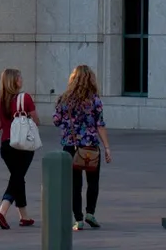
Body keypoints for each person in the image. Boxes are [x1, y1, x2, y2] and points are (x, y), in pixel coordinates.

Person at [52, 64, 110, 231]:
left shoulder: (63, 99)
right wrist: (107, 147)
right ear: (90, 79)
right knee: (93, 182)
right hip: (91, 147)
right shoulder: (95, 100)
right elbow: (100, 124)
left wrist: (69, 124)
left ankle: (78, 220)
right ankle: (90, 213)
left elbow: (56, 121)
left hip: (71, 147)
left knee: (74, 185)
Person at [0, 68, 39, 229]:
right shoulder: (25, 98)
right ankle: (2, 212)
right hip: (23, 145)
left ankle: (24, 216)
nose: (22, 80)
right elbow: (36, 120)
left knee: (18, 177)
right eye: (20, 77)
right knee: (17, 178)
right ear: (15, 81)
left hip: (6, 146)